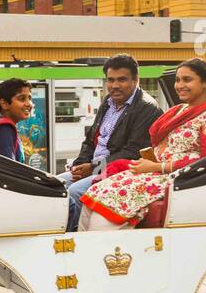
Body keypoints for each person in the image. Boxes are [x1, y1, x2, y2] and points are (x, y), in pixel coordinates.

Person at [79, 58, 206, 230]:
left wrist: (157, 166)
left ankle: (108, 251)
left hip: (181, 177)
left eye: (187, 80)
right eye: (178, 80)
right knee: (93, 196)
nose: (180, 85)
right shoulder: (179, 110)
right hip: (155, 171)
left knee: (107, 207)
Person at [61, 54, 163, 231]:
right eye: (111, 80)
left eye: (122, 80)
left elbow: (132, 153)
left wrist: (93, 167)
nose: (115, 85)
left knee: (75, 191)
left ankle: (75, 242)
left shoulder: (147, 108)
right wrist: (79, 165)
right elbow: (91, 140)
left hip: (120, 172)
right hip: (96, 168)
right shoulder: (107, 103)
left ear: (136, 79)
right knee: (56, 184)